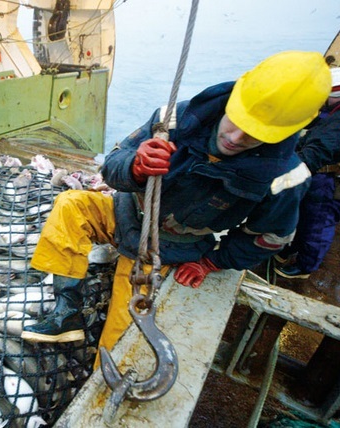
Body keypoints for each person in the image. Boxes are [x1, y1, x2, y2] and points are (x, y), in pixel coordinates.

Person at [20, 51, 331, 365]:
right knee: (71, 204)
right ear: (234, 98)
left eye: (254, 136)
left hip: (165, 249)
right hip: (125, 214)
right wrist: (135, 167)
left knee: (119, 344)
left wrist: (212, 262)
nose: (235, 138)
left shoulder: (286, 178)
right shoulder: (173, 118)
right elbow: (113, 163)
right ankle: (66, 314)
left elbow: (271, 238)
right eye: (236, 122)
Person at [274, 67, 340, 279]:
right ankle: (293, 248)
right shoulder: (331, 113)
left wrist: (289, 172)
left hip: (329, 181)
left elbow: (322, 146)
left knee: (318, 223)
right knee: (304, 215)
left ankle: (306, 266)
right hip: (319, 176)